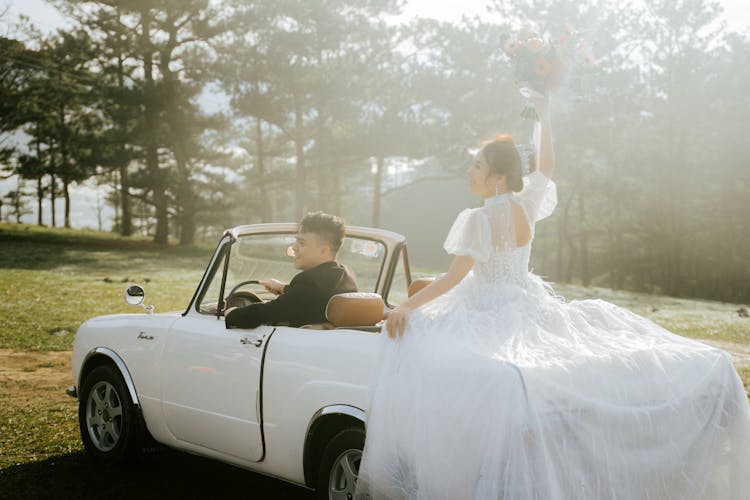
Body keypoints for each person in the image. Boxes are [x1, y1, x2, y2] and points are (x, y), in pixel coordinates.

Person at [355, 96, 750, 499]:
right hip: (526, 302)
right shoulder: (525, 206)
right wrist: (544, 116)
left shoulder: (477, 219)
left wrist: (405, 305)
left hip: (488, 306)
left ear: (497, 178)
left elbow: (455, 278)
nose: (468, 171)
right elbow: (545, 168)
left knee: (416, 340)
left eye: (477, 165)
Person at [225, 211, 357, 329]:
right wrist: (282, 288)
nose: (294, 247)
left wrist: (232, 314)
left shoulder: (309, 282)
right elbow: (310, 297)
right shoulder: (345, 275)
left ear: (324, 251)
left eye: (302, 243)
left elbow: (267, 312)